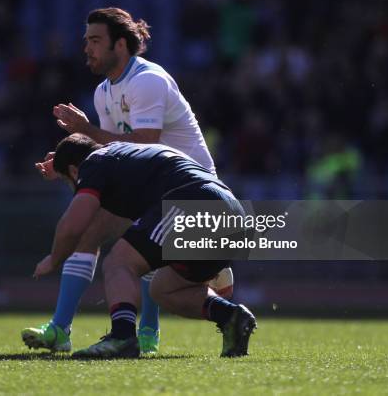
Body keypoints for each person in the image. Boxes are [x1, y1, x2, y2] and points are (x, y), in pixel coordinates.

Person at [22, 7, 234, 354]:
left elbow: (145, 141)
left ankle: (147, 332)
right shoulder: (103, 92)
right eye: (85, 40)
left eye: (95, 41)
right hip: (154, 184)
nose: (86, 48)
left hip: (189, 188)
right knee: (93, 229)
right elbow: (113, 151)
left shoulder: (146, 80)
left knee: (130, 244)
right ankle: (61, 330)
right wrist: (65, 162)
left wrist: (85, 130)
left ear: (120, 45)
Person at [33, 134, 256, 359]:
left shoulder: (94, 162)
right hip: (235, 215)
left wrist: (54, 259)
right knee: (163, 290)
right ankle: (231, 317)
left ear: (73, 171)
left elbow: (73, 224)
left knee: (118, 263)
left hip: (193, 203)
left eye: (66, 180)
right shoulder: (121, 155)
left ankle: (122, 336)